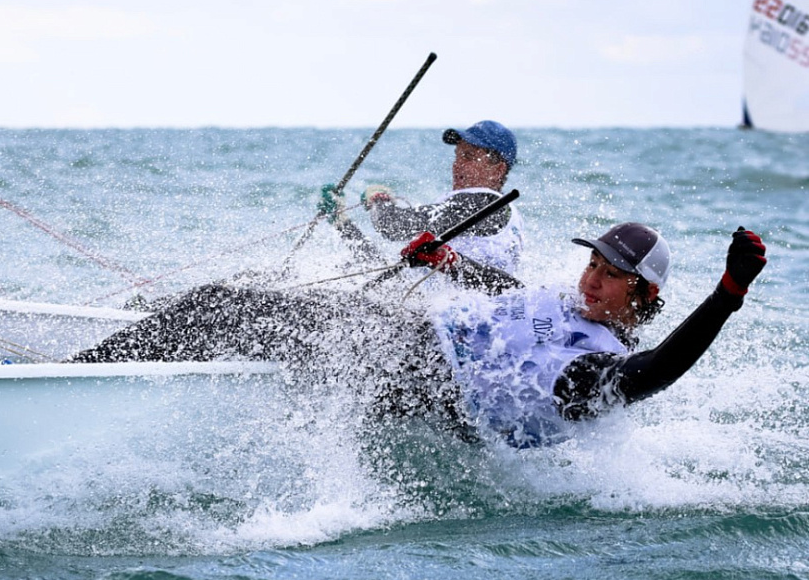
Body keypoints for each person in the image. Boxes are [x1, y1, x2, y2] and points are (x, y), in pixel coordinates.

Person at [69, 224, 767, 448]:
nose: (591, 280)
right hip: (410, 337)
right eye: (591, 263)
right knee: (247, 299)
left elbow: (658, 371)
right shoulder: (571, 301)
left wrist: (726, 297)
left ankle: (72, 380)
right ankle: (116, 352)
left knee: (231, 308)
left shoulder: (600, 368)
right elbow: (510, 299)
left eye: (610, 276)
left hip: (433, 385)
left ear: (641, 294)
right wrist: (449, 263)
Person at [349, 120, 525, 273]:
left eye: (468, 157)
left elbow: (393, 225)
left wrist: (379, 199)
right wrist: (343, 225)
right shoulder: (505, 213)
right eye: (457, 156)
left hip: (444, 309)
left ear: (498, 170)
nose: (457, 165)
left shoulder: (484, 203)